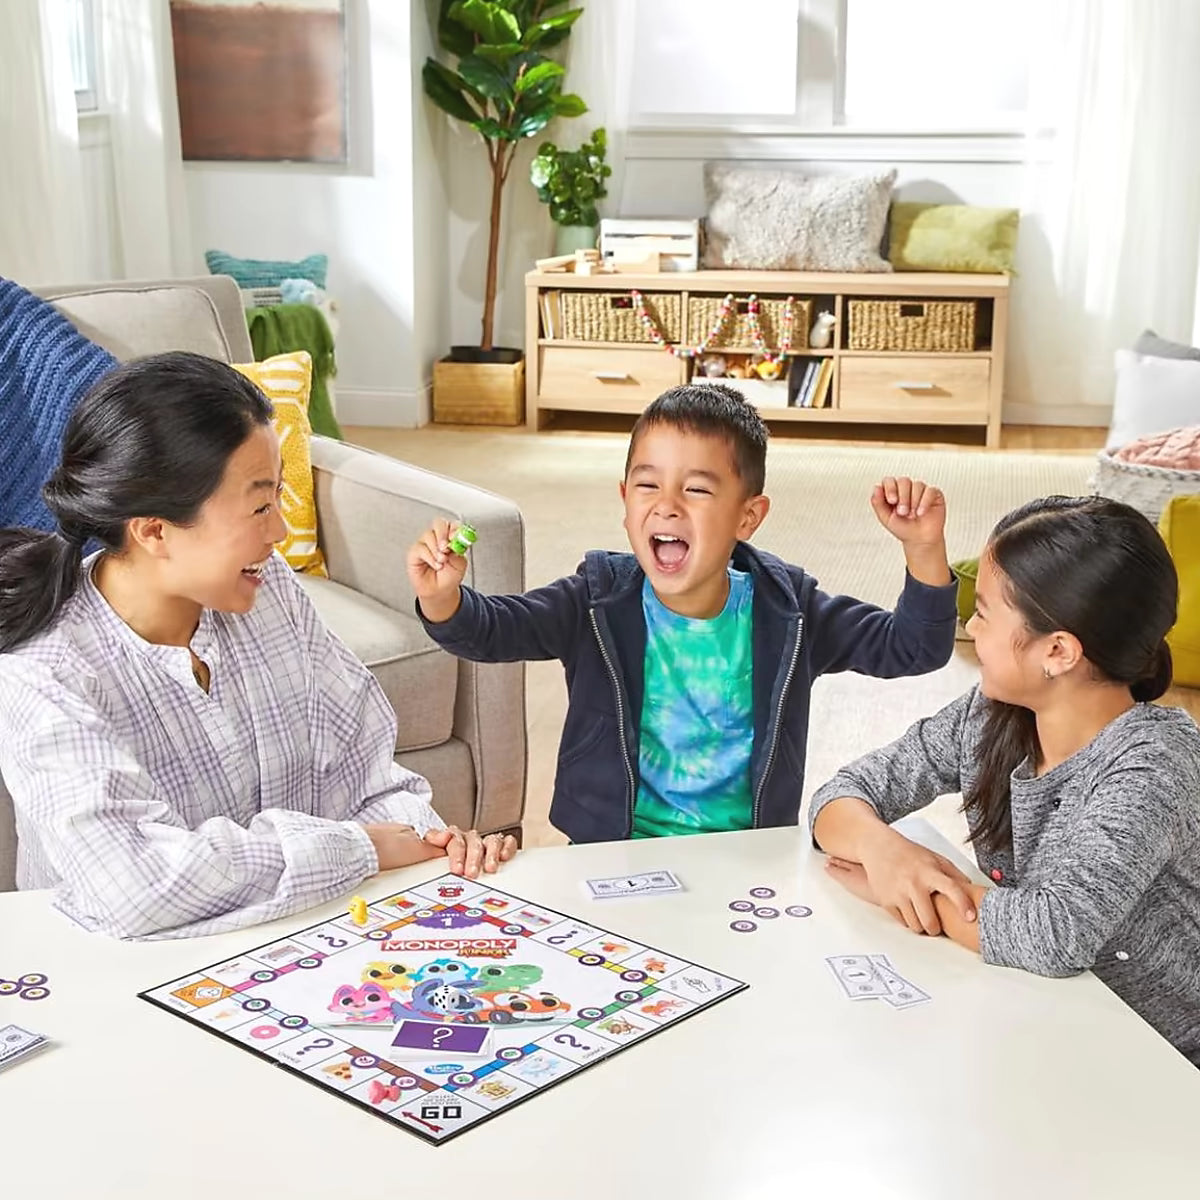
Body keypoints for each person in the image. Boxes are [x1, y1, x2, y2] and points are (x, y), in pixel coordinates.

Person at [0, 352, 515, 941]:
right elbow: (134, 890)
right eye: (260, 506)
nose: (280, 534)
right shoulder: (43, 672)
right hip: (125, 972)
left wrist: (424, 840)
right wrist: (357, 848)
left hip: (298, 938)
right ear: (154, 531)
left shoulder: (269, 592)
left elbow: (370, 776)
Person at [407, 383, 958, 843]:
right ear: (625, 499)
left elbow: (913, 647)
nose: (666, 503)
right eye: (648, 484)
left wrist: (923, 549)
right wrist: (442, 597)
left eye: (696, 489)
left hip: (746, 855)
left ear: (748, 517)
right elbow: (495, 631)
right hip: (607, 853)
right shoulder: (594, 601)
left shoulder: (789, 611)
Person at [811, 495, 1200, 1068]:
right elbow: (844, 791)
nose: (969, 626)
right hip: (1043, 1018)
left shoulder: (1154, 763)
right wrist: (885, 851)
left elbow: (1054, 931)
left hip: (1161, 1061)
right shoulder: (993, 714)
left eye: (986, 613)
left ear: (1059, 651)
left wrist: (914, 896)